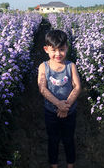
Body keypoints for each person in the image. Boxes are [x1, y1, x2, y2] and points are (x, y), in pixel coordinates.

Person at [38, 29, 82, 168]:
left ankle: (70, 165)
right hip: (51, 112)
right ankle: (54, 165)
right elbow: (42, 88)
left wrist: (65, 106)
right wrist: (58, 104)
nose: (58, 54)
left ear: (67, 48)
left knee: (69, 139)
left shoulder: (71, 66)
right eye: (54, 50)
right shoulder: (43, 67)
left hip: (69, 111)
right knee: (53, 140)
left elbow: (77, 87)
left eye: (61, 49)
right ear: (46, 49)